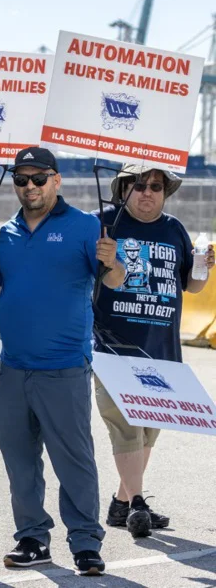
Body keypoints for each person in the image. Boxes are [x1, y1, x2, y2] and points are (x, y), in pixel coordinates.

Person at [0, 146, 125, 577]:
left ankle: (84, 543)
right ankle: (31, 538)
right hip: (14, 369)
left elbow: (115, 280)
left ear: (56, 181)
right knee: (19, 459)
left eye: (38, 179)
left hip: (64, 367)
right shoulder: (6, 232)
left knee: (73, 459)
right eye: (21, 180)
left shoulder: (85, 227)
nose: (29, 187)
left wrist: (112, 261)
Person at [93, 165, 214, 538]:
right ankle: (139, 504)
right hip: (112, 346)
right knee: (125, 429)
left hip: (161, 351)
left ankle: (120, 502)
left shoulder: (174, 229)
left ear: (165, 192)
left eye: (156, 187)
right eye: (139, 186)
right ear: (124, 190)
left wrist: (203, 268)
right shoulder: (104, 223)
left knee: (148, 431)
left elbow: (191, 287)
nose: (148, 192)